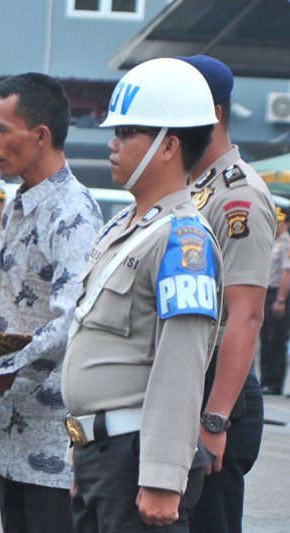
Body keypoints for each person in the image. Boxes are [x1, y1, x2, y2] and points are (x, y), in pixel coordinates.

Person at [62, 57, 223, 532]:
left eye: (127, 131)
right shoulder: (127, 227)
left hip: (135, 458)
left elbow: (182, 361)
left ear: (169, 145)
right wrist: (81, 453)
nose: (112, 143)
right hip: (101, 456)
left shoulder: (183, 239)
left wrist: (162, 476)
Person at [0, 73, 103, 533]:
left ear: (41, 135)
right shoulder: (20, 201)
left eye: (1, 129)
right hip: (13, 424)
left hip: (53, 439)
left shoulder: (72, 211)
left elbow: (72, 318)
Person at [178, 55, 275, 533]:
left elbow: (246, 316)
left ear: (213, 112)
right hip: (189, 384)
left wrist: (214, 420)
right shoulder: (192, 188)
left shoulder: (237, 195)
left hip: (220, 394)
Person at [260, 203, 290, 395]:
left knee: (277, 338)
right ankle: (265, 378)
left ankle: (273, 382)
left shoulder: (286, 243)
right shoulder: (273, 241)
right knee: (266, 338)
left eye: (278, 221)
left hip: (278, 293)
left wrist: (280, 299)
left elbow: (286, 272)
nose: (275, 225)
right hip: (267, 292)